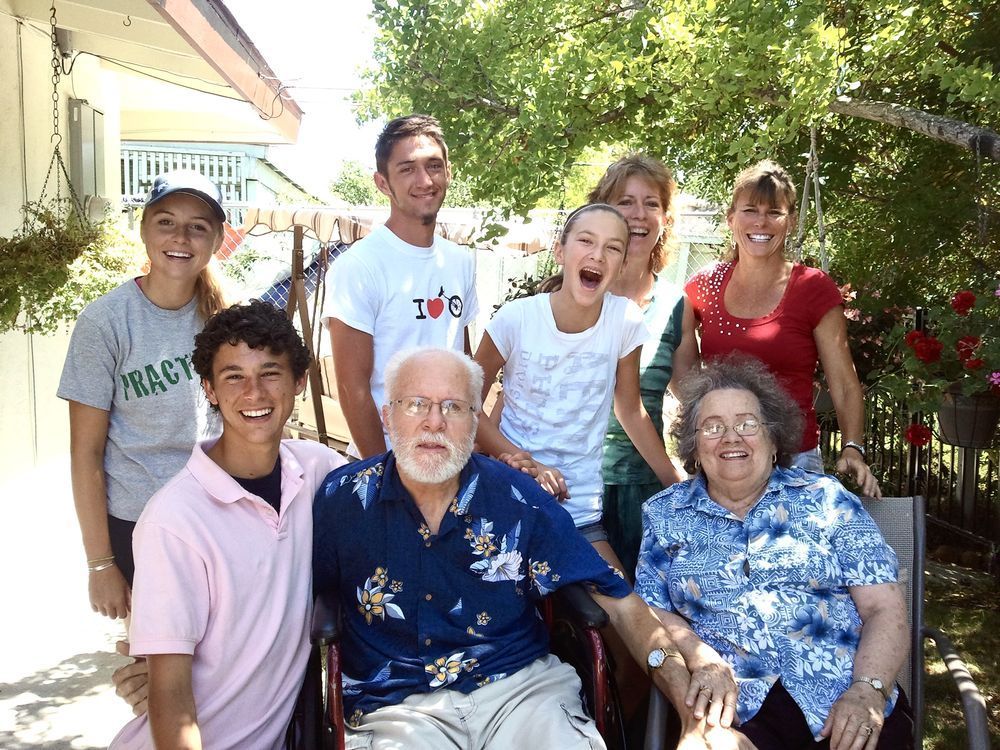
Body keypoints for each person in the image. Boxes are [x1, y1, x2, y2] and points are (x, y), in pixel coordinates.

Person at [313, 346, 738, 750]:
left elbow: (620, 603)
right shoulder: (342, 501)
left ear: (476, 422)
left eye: (454, 407)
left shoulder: (517, 498)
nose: (434, 422)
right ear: (388, 417)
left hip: (519, 691)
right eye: (416, 404)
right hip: (397, 709)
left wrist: (691, 711)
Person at [635, 355, 913, 750]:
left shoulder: (825, 498)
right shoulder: (664, 514)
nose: (731, 437)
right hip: (733, 707)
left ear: (772, 437)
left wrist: (868, 691)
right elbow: (649, 610)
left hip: (841, 695)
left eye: (747, 424)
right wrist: (700, 659)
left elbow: (883, 607)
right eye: (713, 427)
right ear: (695, 445)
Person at [109, 300, 347, 749]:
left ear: (299, 382)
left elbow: (402, 489)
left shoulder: (317, 470)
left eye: (270, 373)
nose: (253, 393)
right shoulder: (174, 519)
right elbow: (171, 694)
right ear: (210, 390)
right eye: (233, 376)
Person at [58, 171, 229, 620]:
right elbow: (86, 453)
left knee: (224, 670)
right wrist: (100, 563)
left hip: (217, 518)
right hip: (138, 527)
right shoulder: (105, 324)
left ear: (216, 240)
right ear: (144, 229)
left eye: (198, 226)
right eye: (166, 222)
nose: (181, 237)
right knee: (158, 676)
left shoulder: (227, 321)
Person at [474, 203, 682, 570]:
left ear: (620, 265)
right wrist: (527, 464)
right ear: (560, 251)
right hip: (508, 496)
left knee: (622, 606)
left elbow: (630, 409)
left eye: (613, 247)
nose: (597, 255)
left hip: (580, 510)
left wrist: (675, 481)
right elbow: (465, 406)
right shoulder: (516, 319)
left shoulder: (624, 321)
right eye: (586, 241)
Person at [678, 160, 881, 498]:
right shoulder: (704, 287)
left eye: (774, 211)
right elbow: (683, 376)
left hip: (794, 463)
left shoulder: (813, 287)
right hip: (724, 462)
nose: (761, 221)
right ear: (731, 219)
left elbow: (844, 384)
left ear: (791, 223)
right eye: (750, 210)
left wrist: (852, 449)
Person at [321, 113, 479, 459]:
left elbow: (461, 365)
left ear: (448, 172)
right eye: (407, 169)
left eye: (434, 166)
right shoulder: (359, 266)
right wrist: (383, 472)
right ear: (382, 182)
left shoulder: (460, 262)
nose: (425, 180)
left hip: (449, 457)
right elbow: (352, 387)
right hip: (389, 456)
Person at [588, 154, 688, 579]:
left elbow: (693, 395)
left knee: (648, 616)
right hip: (574, 484)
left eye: (651, 203)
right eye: (625, 201)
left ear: (665, 218)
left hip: (646, 491)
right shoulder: (574, 293)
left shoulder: (676, 305)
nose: (638, 214)